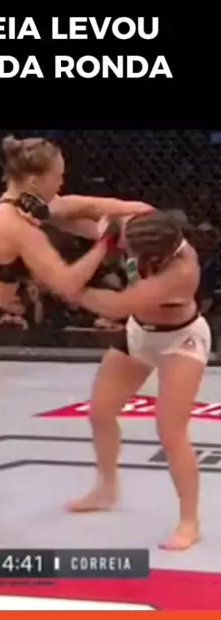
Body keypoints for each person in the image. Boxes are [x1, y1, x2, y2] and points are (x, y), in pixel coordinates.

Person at [0, 135, 153, 548]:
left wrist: (138, 211)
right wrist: (105, 243)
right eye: (58, 175)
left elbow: (84, 204)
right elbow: (66, 283)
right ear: (35, 179)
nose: (62, 182)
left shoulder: (22, 203)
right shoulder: (14, 225)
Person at [67, 209, 211, 551]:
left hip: (181, 340)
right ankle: (106, 488)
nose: (126, 251)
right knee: (100, 412)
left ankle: (189, 521)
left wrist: (70, 288)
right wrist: (46, 218)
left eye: (130, 250)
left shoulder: (181, 270)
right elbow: (86, 225)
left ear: (156, 254)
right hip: (139, 333)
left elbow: (118, 305)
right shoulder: (140, 229)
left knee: (171, 431)